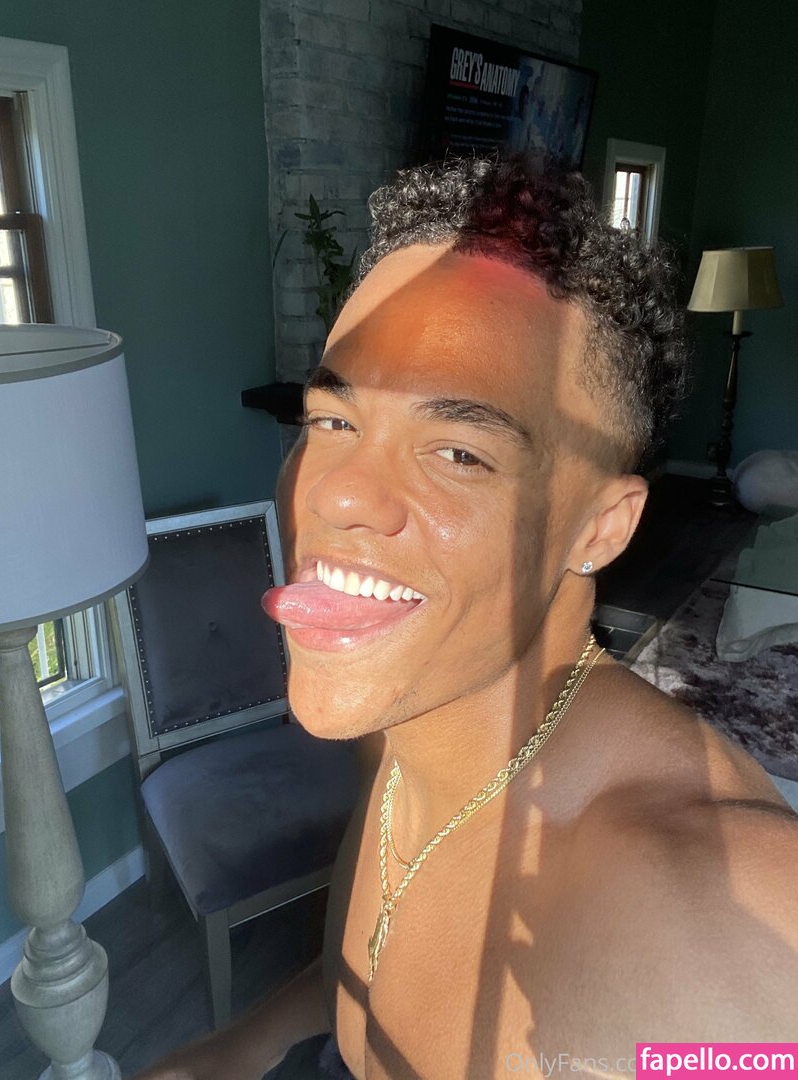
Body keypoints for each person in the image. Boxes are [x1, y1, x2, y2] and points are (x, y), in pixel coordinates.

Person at [138, 158, 798, 1080]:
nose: (337, 496)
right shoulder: (414, 715)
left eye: (458, 452)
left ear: (601, 528)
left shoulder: (720, 931)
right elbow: (376, 961)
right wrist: (238, 1046)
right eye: (333, 421)